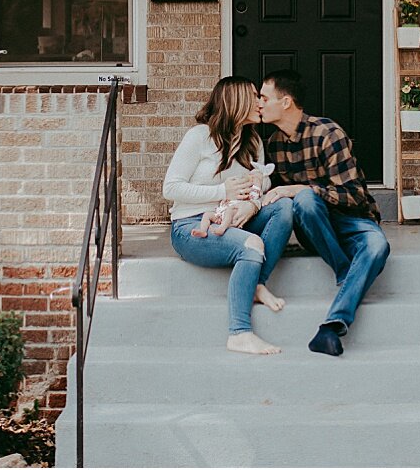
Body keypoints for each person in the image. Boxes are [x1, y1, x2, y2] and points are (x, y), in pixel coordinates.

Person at [258, 69, 390, 357]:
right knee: (304, 201)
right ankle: (344, 269)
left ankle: (332, 325)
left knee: (378, 245)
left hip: (352, 219)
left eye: (264, 97)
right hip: (314, 226)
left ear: (286, 102)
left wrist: (301, 189)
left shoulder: (328, 134)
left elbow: (354, 195)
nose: (259, 103)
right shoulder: (273, 145)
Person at [163, 76, 296, 355]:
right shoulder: (200, 136)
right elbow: (171, 187)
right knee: (252, 245)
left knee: (283, 207)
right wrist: (222, 190)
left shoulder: (252, 141)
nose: (261, 103)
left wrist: (254, 203)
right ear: (235, 102)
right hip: (191, 226)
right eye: (254, 97)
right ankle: (239, 333)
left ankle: (258, 283)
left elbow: (263, 182)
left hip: (237, 218)